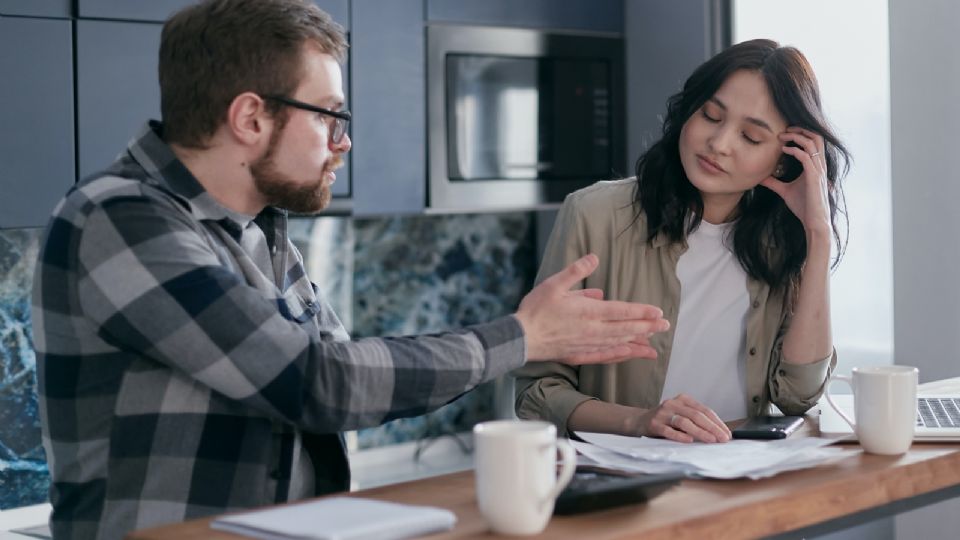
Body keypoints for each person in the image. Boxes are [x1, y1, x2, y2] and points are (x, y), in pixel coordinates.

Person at [30, 1, 671, 538]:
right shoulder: (118, 219)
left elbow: (347, 386)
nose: (345, 142)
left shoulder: (261, 230)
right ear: (251, 117)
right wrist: (523, 338)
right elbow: (315, 381)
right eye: (331, 115)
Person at [514, 39, 851, 445]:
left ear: (783, 160)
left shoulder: (781, 241)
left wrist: (818, 235)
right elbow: (536, 393)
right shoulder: (595, 214)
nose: (719, 143)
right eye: (711, 115)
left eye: (750, 137)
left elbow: (798, 395)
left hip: (737, 474)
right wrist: (641, 421)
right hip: (623, 482)